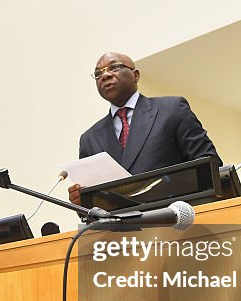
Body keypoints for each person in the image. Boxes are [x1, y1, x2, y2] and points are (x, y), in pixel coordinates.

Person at [68, 52, 220, 205]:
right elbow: (93, 202)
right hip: (119, 226)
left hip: (175, 218)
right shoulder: (89, 138)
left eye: (114, 67)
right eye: (98, 73)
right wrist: (82, 199)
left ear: (135, 75)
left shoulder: (172, 109)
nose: (105, 75)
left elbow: (208, 164)